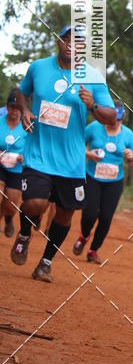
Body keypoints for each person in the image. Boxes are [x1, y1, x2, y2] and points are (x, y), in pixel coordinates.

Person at [10, 25, 116, 282]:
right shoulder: (38, 67)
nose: (71, 43)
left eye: (77, 40)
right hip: (39, 154)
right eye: (66, 38)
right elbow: (21, 93)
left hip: (71, 162)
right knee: (35, 204)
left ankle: (45, 263)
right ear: (59, 41)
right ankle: (25, 233)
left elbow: (111, 116)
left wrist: (92, 105)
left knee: (65, 214)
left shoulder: (92, 77)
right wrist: (24, 111)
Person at [72, 103, 133, 263]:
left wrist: (131, 158)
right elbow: (75, 144)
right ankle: (84, 236)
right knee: (90, 213)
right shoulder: (94, 127)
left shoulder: (128, 134)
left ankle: (93, 250)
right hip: (93, 177)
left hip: (114, 182)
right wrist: (89, 154)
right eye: (111, 119)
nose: (114, 122)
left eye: (117, 119)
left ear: (122, 118)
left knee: (106, 217)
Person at [0, 90, 27, 238]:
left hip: (17, 170)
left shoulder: (26, 125)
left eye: (17, 108)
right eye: (11, 107)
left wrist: (25, 156)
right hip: (0, 166)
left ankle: (9, 219)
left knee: (10, 205)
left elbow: (34, 146)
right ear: (7, 107)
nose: (14, 111)